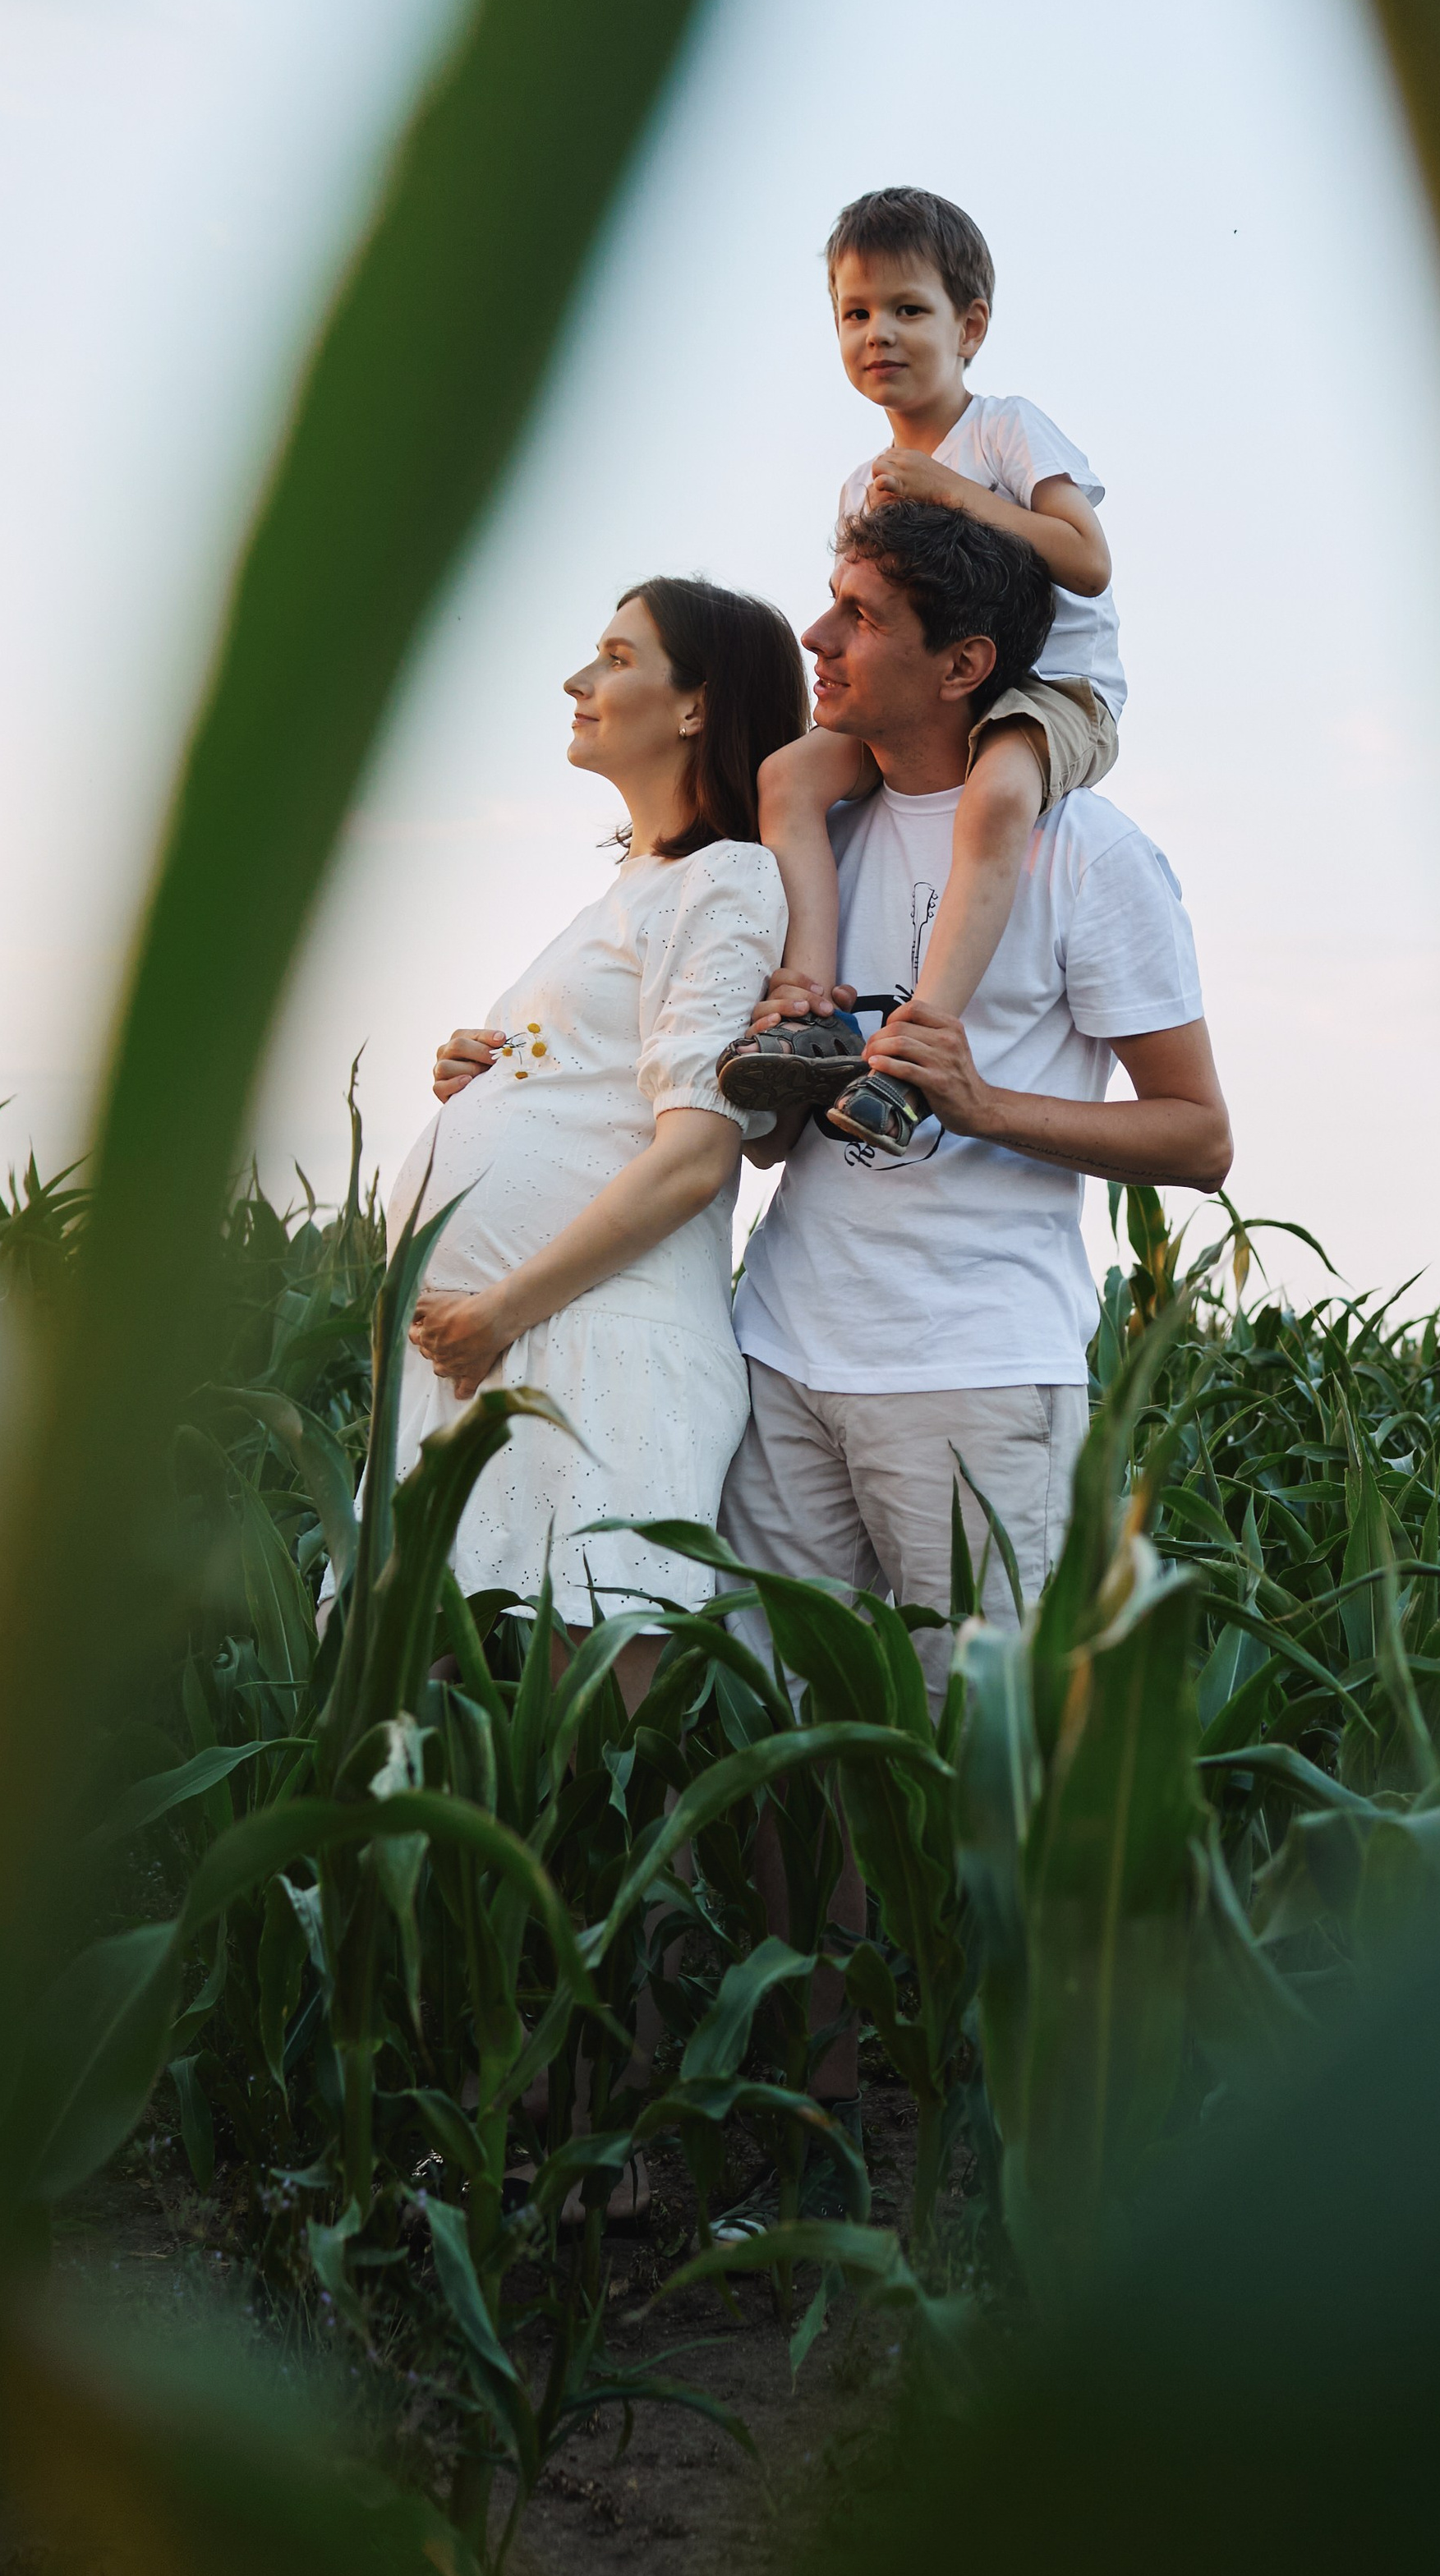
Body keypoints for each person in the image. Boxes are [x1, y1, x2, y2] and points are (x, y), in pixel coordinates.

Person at [712, 498, 1230, 2221]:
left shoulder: (1088, 853)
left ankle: (993, 2150)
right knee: (790, 1751)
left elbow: (1198, 1135)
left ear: (962, 664)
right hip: (786, 1342)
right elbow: (778, 1129)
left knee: (969, 1765)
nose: (815, 638)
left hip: (974, 1373)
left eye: (851, 615)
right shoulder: (821, 822)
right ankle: (811, 2097)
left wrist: (980, 1101)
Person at [398, 576, 797, 1709]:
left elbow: (696, 1154)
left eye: (617, 658)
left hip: (594, 1357)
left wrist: (497, 1312)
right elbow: (593, 1087)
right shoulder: (624, 891)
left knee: (607, 1754)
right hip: (496, 1357)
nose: (580, 682)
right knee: (438, 1740)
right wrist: (483, 1075)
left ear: (693, 707)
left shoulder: (723, 880)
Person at [737, 186, 1124, 1152]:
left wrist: (950, 490)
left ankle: (919, 1047)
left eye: (909, 310)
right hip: (926, 699)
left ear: (970, 326)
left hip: (1047, 693)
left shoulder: (1003, 429)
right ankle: (815, 1007)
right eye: (855, 314)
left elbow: (1085, 559)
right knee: (788, 776)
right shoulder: (856, 483)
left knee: (996, 801)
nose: (881, 334)